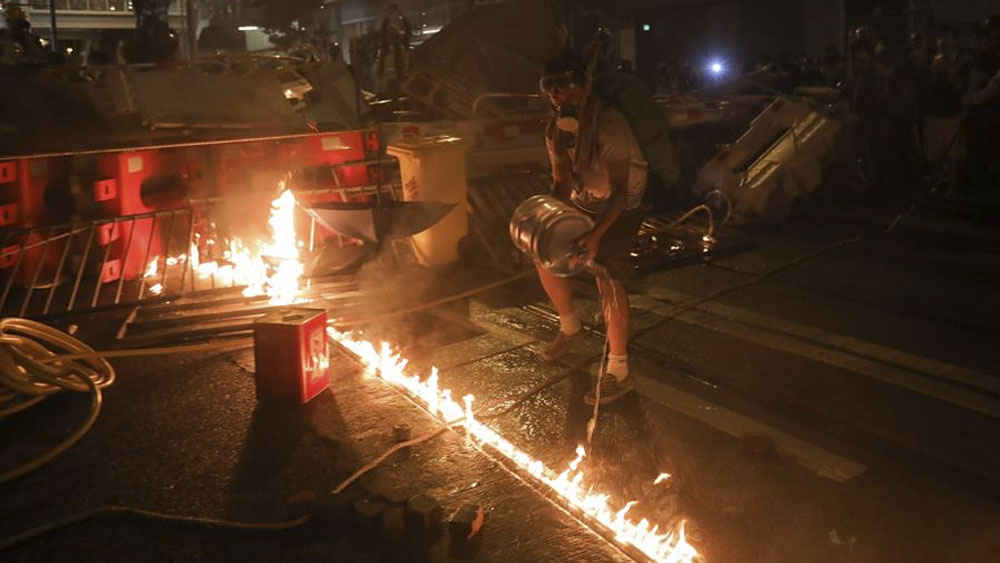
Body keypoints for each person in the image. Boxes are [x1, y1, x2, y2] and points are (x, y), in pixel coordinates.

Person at [536, 50, 650, 406]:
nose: (560, 97)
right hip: (585, 199)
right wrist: (547, 219)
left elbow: (619, 192)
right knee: (542, 252)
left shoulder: (609, 123)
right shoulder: (557, 130)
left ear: (585, 87)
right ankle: (569, 326)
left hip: (623, 204)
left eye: (567, 88)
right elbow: (561, 182)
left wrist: (596, 237)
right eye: (552, 90)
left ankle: (619, 371)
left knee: (605, 272)